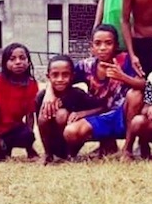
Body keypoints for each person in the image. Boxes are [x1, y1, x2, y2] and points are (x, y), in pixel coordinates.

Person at [61, 24, 145, 158]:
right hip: (98, 115)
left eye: (108, 43)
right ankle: (107, 145)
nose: (103, 48)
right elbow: (63, 80)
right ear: (92, 47)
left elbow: (144, 84)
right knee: (71, 132)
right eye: (98, 43)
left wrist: (123, 77)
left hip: (122, 115)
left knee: (135, 94)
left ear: (116, 45)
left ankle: (127, 149)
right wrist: (49, 94)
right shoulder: (86, 66)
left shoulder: (125, 61)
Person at [35, 55, 104, 164]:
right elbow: (40, 123)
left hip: (72, 141)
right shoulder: (42, 96)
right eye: (55, 75)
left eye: (65, 75)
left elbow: (102, 107)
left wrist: (83, 113)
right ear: (48, 77)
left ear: (72, 76)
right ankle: (48, 155)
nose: (60, 79)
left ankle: (69, 154)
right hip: (52, 143)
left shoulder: (77, 94)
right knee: (45, 116)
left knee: (62, 114)